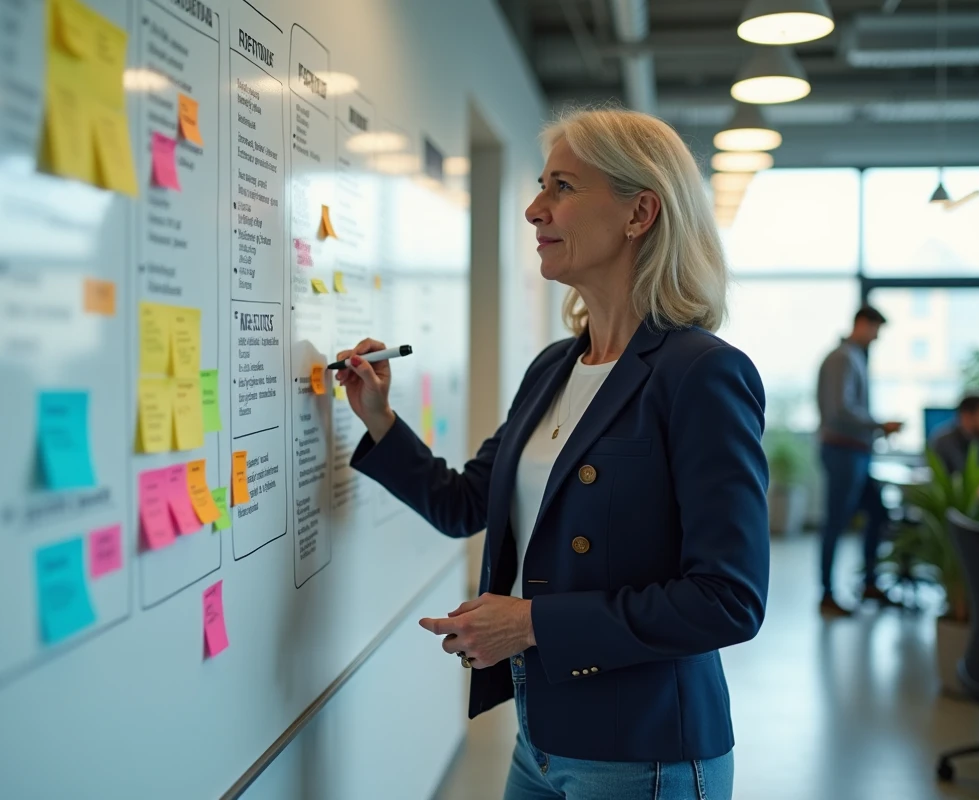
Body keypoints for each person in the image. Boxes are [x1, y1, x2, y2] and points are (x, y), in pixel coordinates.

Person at [335, 108, 768, 800]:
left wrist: (531, 624)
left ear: (640, 213)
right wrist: (380, 419)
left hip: (644, 751)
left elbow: (729, 600)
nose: (535, 209)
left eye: (562, 187)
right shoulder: (553, 370)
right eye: (541, 186)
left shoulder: (701, 374)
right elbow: (465, 504)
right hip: (540, 737)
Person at [815, 306, 903, 618]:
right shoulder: (843, 358)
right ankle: (826, 593)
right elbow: (841, 411)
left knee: (879, 511)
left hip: (855, 453)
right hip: (843, 452)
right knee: (835, 522)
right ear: (862, 324)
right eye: (876, 330)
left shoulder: (852, 357)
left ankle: (869, 582)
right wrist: (880, 425)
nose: (877, 338)